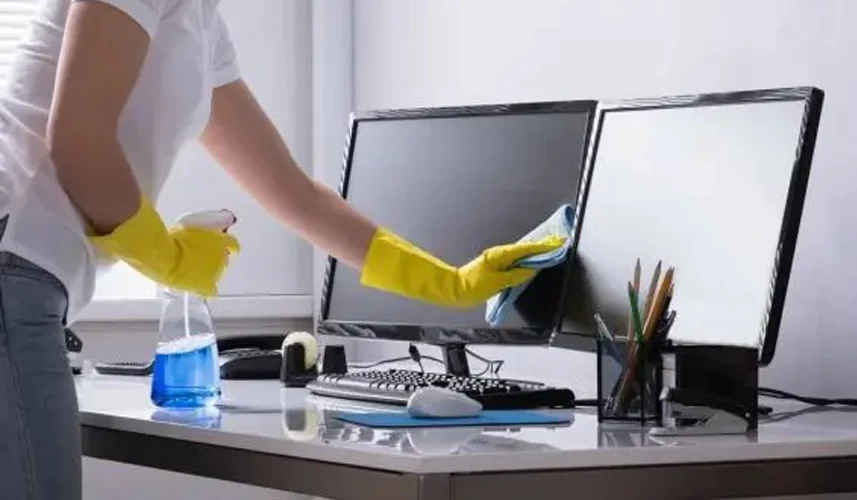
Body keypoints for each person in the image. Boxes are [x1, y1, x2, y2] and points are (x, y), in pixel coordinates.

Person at [0, 0, 564, 498]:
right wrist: (166, 256)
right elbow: (78, 142)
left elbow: (294, 194)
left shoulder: (203, 26)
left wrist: (447, 282)